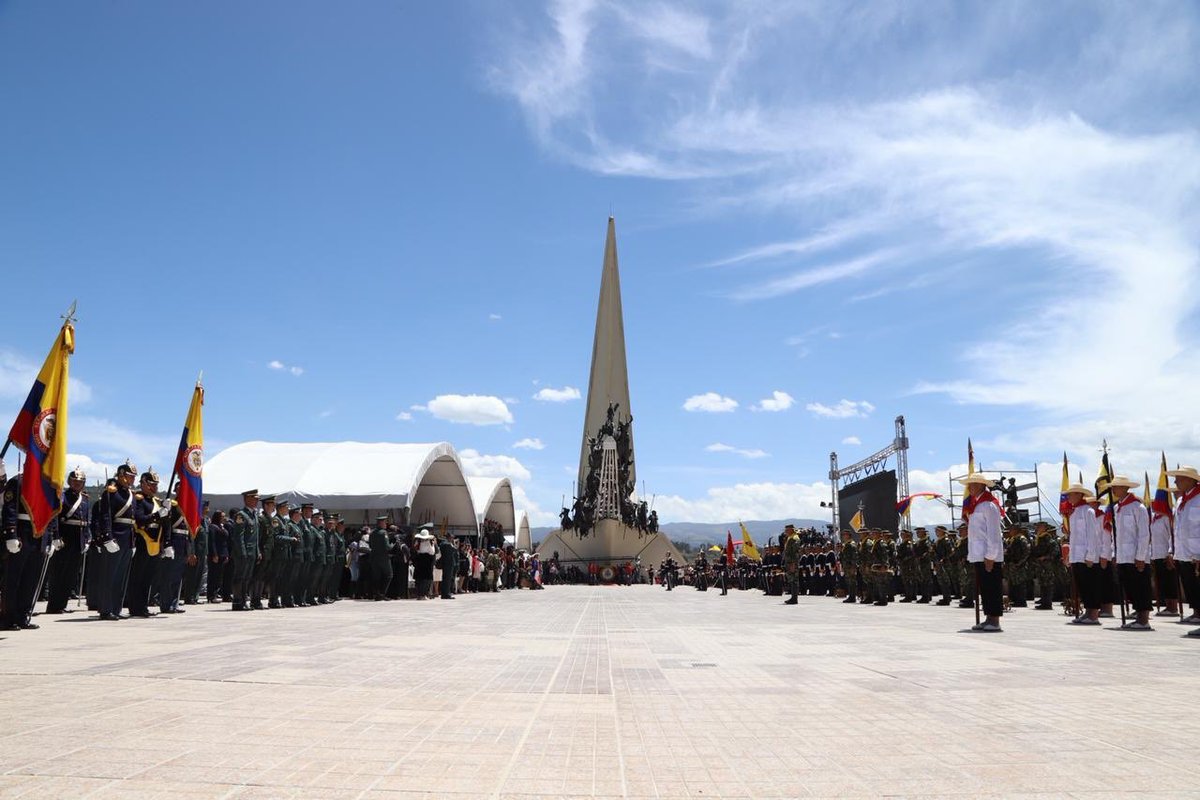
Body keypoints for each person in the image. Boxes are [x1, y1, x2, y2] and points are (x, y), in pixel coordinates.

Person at [1, 465, 61, 630]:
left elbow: (53, 511)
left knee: (31, 579)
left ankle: (23, 616)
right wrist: (10, 534)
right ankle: (7, 618)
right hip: (22, 533)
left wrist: (53, 537)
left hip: (41, 535)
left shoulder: (50, 485)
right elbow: (10, 509)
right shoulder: (18, 481)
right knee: (13, 578)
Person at [1106, 476, 1153, 630]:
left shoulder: (1137, 507)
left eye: (1116, 486)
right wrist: (1114, 553)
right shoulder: (1116, 508)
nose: (1113, 489)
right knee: (1130, 587)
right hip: (1123, 556)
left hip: (1135, 555)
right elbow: (1115, 534)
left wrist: (1140, 556)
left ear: (1126, 488)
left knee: (1141, 587)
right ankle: (1138, 617)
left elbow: (1144, 534)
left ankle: (1143, 620)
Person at [962, 473, 1003, 632]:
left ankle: (995, 620)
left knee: (992, 587)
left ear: (981, 485)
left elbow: (993, 532)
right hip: (978, 553)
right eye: (969, 485)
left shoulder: (989, 505)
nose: (969, 488)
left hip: (988, 554)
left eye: (972, 484)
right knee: (985, 588)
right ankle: (988, 618)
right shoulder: (975, 505)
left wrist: (990, 555)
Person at [45, 468, 90, 615]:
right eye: (75, 481)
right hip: (65, 538)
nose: (78, 484)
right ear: (70, 482)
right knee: (59, 573)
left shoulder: (84, 499)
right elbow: (56, 517)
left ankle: (62, 604)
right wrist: (55, 535)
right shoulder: (63, 496)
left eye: (80, 482)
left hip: (78, 540)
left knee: (71, 575)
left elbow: (86, 521)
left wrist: (87, 538)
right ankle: (53, 605)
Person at [127, 470, 167, 618]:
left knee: (148, 578)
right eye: (151, 484)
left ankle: (143, 606)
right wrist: (157, 515)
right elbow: (139, 519)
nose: (154, 487)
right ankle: (135, 607)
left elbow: (164, 525)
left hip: (155, 542)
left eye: (155, 485)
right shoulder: (139, 499)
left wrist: (166, 511)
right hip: (142, 540)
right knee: (138, 577)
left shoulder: (156, 501)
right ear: (143, 483)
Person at [1165, 465, 1200, 633]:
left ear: (1190, 480)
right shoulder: (1180, 501)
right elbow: (1177, 529)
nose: (1175, 482)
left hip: (1197, 552)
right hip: (1184, 552)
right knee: (1191, 586)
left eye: (1178, 478)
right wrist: (1173, 551)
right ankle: (1197, 615)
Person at [1065, 483, 1102, 625]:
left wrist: (1090, 555)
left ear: (1079, 495)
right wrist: (1070, 554)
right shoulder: (1074, 513)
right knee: (1082, 586)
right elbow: (1074, 536)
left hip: (1087, 556)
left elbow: (1093, 534)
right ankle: (1087, 612)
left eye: (1071, 494)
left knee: (1091, 585)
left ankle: (1093, 614)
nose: (1068, 497)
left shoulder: (1088, 511)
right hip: (1077, 555)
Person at [1149, 488, 1178, 617]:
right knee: (1162, 581)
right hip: (1157, 554)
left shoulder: (1167, 517)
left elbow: (1172, 535)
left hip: (1166, 554)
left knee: (1170, 581)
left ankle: (1173, 607)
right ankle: (1166, 604)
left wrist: (1170, 552)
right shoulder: (1155, 518)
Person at [230, 490, 261, 611]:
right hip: (243, 553)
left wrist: (257, 551)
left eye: (257, 499)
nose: (257, 501)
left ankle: (243, 599)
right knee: (240, 577)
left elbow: (255, 537)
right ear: (246, 499)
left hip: (252, 552)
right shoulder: (241, 515)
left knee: (247, 577)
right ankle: (238, 601)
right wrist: (242, 552)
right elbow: (239, 537)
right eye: (254, 498)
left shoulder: (254, 515)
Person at [181, 501, 210, 605]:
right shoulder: (195, 521)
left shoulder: (205, 522)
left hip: (203, 553)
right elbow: (191, 539)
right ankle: (189, 597)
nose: (208, 510)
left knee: (199, 576)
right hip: (196, 553)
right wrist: (191, 553)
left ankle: (195, 596)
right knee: (192, 576)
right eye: (206, 508)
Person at [413, 527, 436, 598]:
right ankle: (423, 594)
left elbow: (416, 550)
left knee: (419, 578)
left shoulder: (418, 542)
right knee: (426, 579)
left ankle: (419, 594)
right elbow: (432, 552)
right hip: (427, 561)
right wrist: (434, 544)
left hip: (419, 561)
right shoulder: (428, 543)